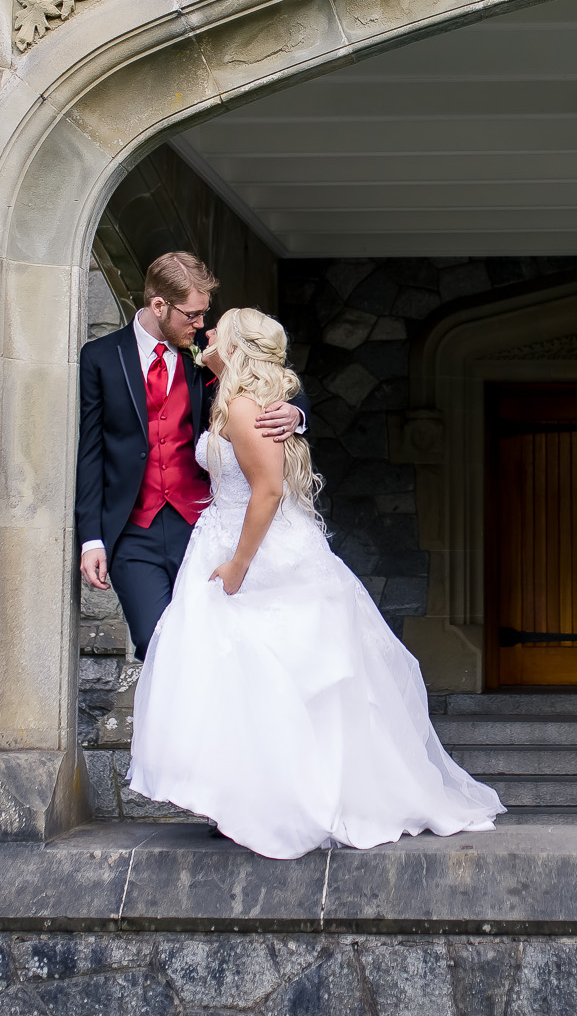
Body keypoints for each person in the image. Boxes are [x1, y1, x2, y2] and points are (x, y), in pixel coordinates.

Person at [126, 307, 504, 859]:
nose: (205, 333)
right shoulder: (210, 384)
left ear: (234, 347)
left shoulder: (246, 405)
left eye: (216, 329)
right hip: (228, 534)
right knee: (243, 681)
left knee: (288, 678)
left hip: (253, 550)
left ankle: (288, 799)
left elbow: (269, 490)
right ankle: (251, 795)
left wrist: (237, 566)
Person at [75, 252, 306, 662]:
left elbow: (271, 369)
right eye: (193, 314)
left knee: (209, 643)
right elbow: (91, 451)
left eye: (204, 315)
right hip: (133, 531)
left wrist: (296, 410)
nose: (201, 324)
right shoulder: (100, 357)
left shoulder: (208, 351)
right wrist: (92, 538)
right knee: (154, 641)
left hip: (198, 525)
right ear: (159, 305)